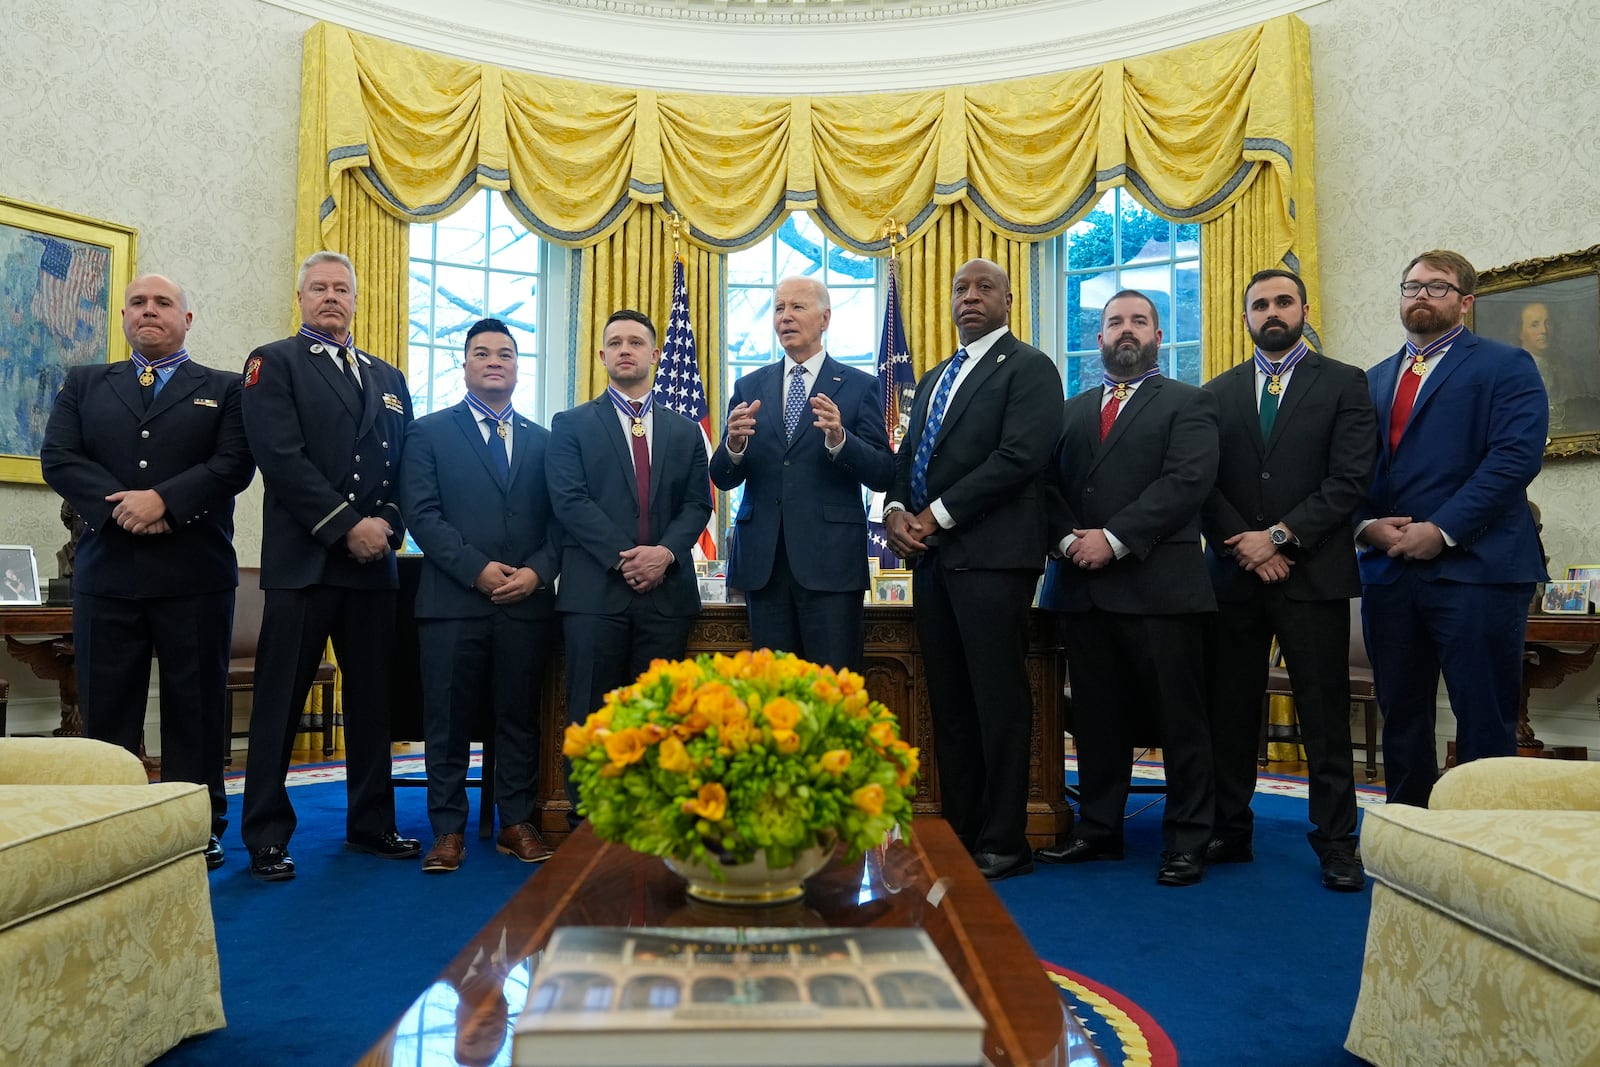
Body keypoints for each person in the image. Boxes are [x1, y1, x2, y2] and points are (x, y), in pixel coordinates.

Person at [41, 273, 255, 870]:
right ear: (124, 318)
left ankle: (197, 825)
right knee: (108, 709)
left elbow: (235, 463)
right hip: (108, 574)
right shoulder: (86, 384)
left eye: (163, 303)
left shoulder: (226, 388)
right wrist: (125, 507)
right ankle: (110, 822)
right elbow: (58, 457)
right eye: (138, 303)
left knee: (196, 709)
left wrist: (165, 501)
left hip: (195, 576)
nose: (149, 311)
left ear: (188, 319)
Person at [238, 250, 419, 882]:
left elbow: (406, 466)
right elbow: (280, 458)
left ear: (356, 299)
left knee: (374, 704)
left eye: (342, 288)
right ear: (301, 297)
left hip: (374, 567)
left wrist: (389, 525)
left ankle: (372, 823)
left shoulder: (389, 375)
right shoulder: (273, 362)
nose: (331, 297)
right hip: (307, 561)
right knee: (280, 703)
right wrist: (349, 527)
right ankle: (264, 833)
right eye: (319, 288)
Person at [884, 258, 1063, 882]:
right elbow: (908, 457)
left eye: (985, 287)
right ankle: (962, 831)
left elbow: (1020, 457)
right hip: (933, 563)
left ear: (1009, 300)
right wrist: (898, 513)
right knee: (950, 703)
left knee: (997, 701)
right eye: (960, 288)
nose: (970, 297)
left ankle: (1004, 841)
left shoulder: (1030, 368)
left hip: (992, 559)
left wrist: (934, 515)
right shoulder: (934, 377)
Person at [1199, 269, 1377, 892]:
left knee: (1323, 717)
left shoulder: (1345, 384)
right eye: (1259, 305)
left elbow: (1349, 480)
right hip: (1235, 580)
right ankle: (1229, 829)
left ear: (1303, 308)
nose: (1271, 312)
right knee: (1231, 712)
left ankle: (1336, 843)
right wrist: (1247, 549)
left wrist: (1277, 538)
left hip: (1311, 576)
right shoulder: (1215, 395)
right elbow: (1204, 485)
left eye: (1283, 302)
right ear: (1244, 317)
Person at [1034, 290, 1219, 887]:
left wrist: (1111, 539)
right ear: (1100, 338)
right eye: (1115, 322)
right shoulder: (1067, 411)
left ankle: (1189, 839)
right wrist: (1067, 541)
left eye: (1139, 320)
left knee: (1180, 719)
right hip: (1080, 588)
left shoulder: (1191, 404)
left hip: (1159, 588)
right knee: (1095, 720)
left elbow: (1185, 483)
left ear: (1159, 336)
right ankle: (1098, 831)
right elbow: (1041, 487)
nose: (1126, 330)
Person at [1356, 250, 1548, 808]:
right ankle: (1411, 838)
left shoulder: (1506, 366)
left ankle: (1481, 844)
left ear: (1465, 303)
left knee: (1485, 721)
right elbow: (1348, 473)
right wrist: (1366, 526)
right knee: (1402, 718)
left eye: (1436, 288)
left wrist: (1440, 531)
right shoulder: (1371, 381)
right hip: (1390, 575)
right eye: (1411, 286)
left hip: (1478, 570)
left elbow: (1513, 460)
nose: (1420, 296)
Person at [400, 318, 562, 872]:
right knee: (446, 721)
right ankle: (447, 830)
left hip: (526, 603)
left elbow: (560, 523)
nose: (494, 361)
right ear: (464, 365)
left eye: (506, 354)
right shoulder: (427, 432)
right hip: (452, 602)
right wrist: (478, 570)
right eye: (482, 353)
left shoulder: (546, 441)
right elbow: (421, 513)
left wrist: (537, 573)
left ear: (518, 368)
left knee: (517, 718)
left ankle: (516, 822)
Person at [546, 309, 712, 823]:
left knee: (660, 716)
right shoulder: (570, 425)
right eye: (614, 342)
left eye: (636, 342)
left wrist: (663, 554)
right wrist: (628, 561)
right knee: (594, 713)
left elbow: (697, 505)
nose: (625, 349)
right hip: (594, 595)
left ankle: (656, 820)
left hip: (666, 596)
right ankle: (588, 824)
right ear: (601, 356)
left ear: (655, 355)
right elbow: (569, 502)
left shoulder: (686, 432)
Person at [709, 275, 894, 670]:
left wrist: (841, 439)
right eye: (779, 308)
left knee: (834, 692)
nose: (785, 317)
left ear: (825, 318)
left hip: (831, 567)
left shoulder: (859, 387)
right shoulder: (749, 386)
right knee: (774, 695)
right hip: (765, 566)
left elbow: (883, 472)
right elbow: (723, 477)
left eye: (797, 307)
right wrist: (734, 447)